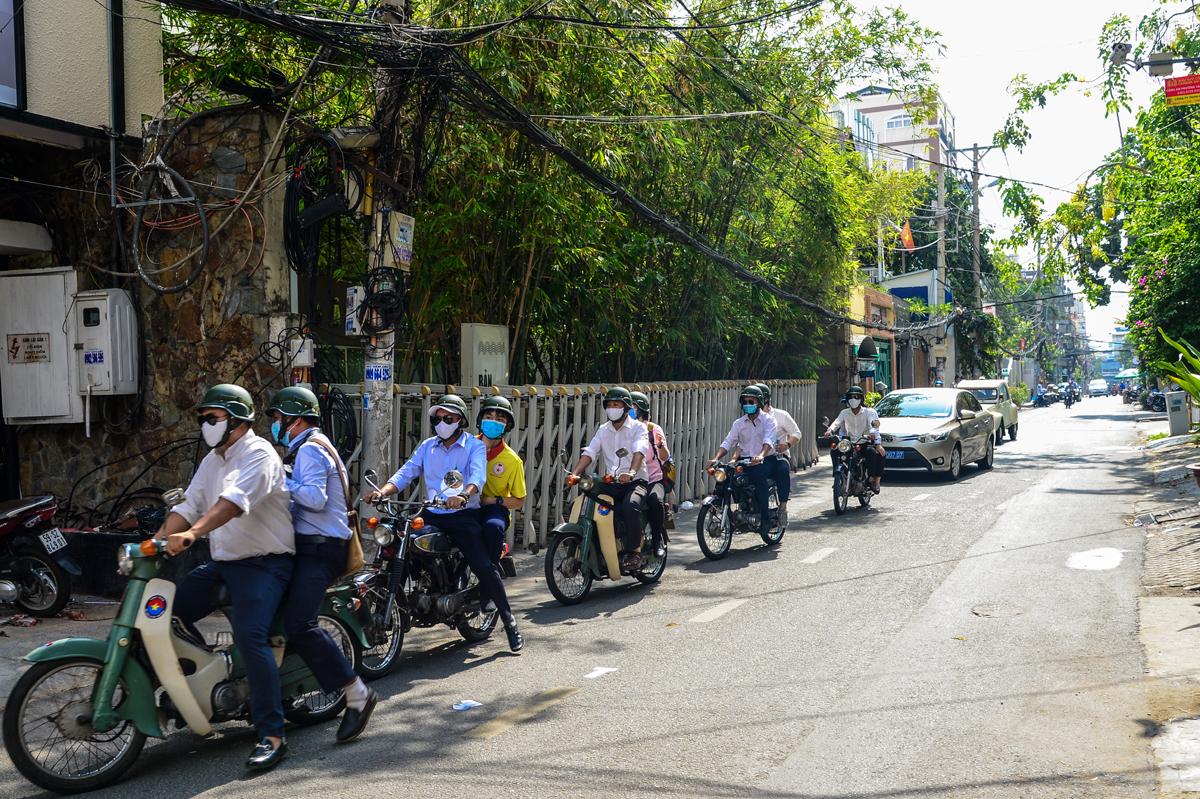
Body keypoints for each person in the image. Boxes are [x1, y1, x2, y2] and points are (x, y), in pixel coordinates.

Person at [157, 384, 295, 771]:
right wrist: (154, 541)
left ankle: (271, 733)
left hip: (266, 563)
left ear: (236, 420)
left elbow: (232, 502)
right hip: (226, 562)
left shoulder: (259, 453)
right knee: (169, 611)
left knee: (251, 637)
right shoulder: (213, 459)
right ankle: (204, 680)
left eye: (212, 418)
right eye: (203, 418)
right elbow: (190, 503)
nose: (205, 424)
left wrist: (193, 533)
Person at [365, 394, 523, 652]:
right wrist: (383, 491)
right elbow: (406, 472)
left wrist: (463, 495)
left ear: (460, 420)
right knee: (404, 541)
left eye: (447, 418)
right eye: (437, 418)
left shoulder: (474, 446)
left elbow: (477, 476)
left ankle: (509, 621)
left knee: (483, 565)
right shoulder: (428, 446)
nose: (442, 422)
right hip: (431, 513)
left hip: (462, 516)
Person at [267, 387, 376, 744]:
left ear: (294, 420)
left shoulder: (311, 450)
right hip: (310, 545)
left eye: (278, 419)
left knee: (300, 623)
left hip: (321, 548)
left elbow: (314, 498)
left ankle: (356, 693)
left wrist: (280, 479)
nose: (275, 426)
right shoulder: (309, 447)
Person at [568, 387, 651, 572]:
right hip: (611, 482)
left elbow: (639, 451)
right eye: (610, 405)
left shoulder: (638, 428)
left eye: (617, 404)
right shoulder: (603, 430)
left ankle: (635, 552)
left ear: (626, 407)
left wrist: (630, 472)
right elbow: (590, 452)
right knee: (581, 501)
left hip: (635, 482)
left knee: (630, 506)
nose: (612, 408)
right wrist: (575, 472)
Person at [708, 385, 777, 537]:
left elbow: (768, 441)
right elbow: (728, 442)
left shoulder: (768, 420)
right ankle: (727, 512)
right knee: (724, 478)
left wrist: (760, 456)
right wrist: (716, 458)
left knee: (759, 478)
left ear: (758, 402)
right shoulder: (739, 423)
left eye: (751, 401)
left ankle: (765, 518)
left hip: (763, 460)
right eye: (745, 401)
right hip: (744, 461)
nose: (747, 404)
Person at [476, 395, 525, 589]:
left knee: (493, 527)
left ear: (507, 426)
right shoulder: (467, 446)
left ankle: (490, 577)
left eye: (500, 419)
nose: (493, 422)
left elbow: (519, 500)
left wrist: (491, 501)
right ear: (480, 421)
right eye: (489, 416)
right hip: (461, 503)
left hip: (493, 508)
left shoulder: (512, 460)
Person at [630, 391, 670, 559]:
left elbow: (665, 457)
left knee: (655, 499)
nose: (628, 410)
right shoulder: (621, 429)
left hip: (653, 478)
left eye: (632, 407)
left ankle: (656, 540)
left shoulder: (653, 429)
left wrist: (660, 445)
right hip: (630, 480)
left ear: (641, 409)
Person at [824, 385, 884, 493]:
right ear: (847, 399)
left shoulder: (869, 412)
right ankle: (838, 477)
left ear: (861, 399)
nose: (853, 399)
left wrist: (872, 435)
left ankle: (872, 479)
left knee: (875, 453)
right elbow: (836, 422)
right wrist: (830, 431)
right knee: (834, 450)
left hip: (865, 442)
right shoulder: (844, 413)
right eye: (851, 397)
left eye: (856, 397)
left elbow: (873, 426)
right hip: (848, 443)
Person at [755, 383, 800, 522]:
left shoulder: (780, 415)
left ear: (765, 400)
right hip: (755, 458)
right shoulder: (748, 418)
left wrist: (786, 444)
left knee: (782, 470)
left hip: (777, 455)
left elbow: (796, 433)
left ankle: (782, 508)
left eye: (755, 400)